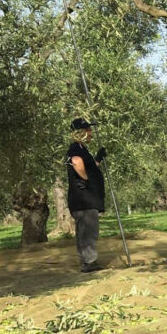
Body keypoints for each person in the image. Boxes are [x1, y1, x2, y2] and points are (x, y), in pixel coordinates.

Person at [65, 117, 107, 272]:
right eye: (88, 130)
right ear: (80, 132)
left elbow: (88, 166)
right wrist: (85, 179)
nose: (90, 133)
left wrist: (97, 159)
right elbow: (76, 162)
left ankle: (86, 261)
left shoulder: (82, 149)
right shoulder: (76, 148)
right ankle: (89, 262)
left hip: (85, 200)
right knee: (88, 230)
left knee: (84, 231)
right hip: (84, 199)